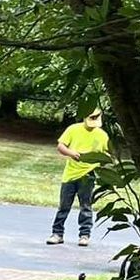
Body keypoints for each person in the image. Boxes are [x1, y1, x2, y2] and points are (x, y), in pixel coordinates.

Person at [49, 105, 109, 246]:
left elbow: (107, 154)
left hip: (89, 174)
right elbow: (61, 146)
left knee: (86, 206)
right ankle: (57, 233)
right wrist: (71, 153)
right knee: (64, 205)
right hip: (70, 174)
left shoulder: (102, 135)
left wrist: (100, 163)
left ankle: (84, 235)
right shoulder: (73, 129)